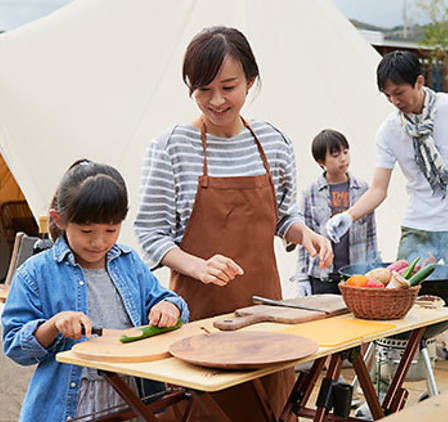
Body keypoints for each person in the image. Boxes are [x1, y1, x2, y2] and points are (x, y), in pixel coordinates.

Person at [134, 26, 332, 421]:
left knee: (270, 410)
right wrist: (198, 266)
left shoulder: (274, 142)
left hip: (267, 315)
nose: (217, 100)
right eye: (203, 89)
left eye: (228, 86)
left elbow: (281, 217)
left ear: (251, 81)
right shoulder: (171, 146)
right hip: (199, 320)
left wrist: (304, 232)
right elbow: (149, 233)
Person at [325, 50, 448, 380]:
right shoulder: (389, 130)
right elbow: (378, 189)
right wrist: (349, 215)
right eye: (387, 95)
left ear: (419, 82)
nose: (394, 101)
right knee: (394, 302)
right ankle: (382, 387)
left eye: (398, 92)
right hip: (419, 227)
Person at [2, 159, 189, 421]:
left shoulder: (129, 262)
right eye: (87, 230)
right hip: (72, 401)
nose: (99, 241)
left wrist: (168, 307)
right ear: (60, 220)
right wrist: (54, 324)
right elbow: (15, 347)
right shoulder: (36, 273)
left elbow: (167, 300)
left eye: (111, 230)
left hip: (132, 393)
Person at [295, 129, 378, 296]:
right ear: (321, 161)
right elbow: (305, 239)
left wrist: (375, 269)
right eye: (335, 155)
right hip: (322, 276)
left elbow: (371, 234)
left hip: (356, 275)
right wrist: (302, 277)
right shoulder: (310, 193)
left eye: (345, 152)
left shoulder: (363, 189)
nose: (343, 158)